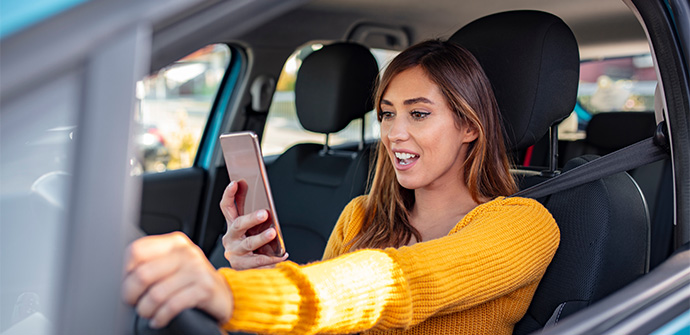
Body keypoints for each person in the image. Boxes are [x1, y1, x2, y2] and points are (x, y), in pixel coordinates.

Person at [123, 40, 560, 335]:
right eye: (387, 114)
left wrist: (228, 293)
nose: (394, 134)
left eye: (419, 114)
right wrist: (256, 273)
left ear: (468, 125)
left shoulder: (523, 224)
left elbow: (399, 283)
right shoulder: (362, 214)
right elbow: (330, 318)